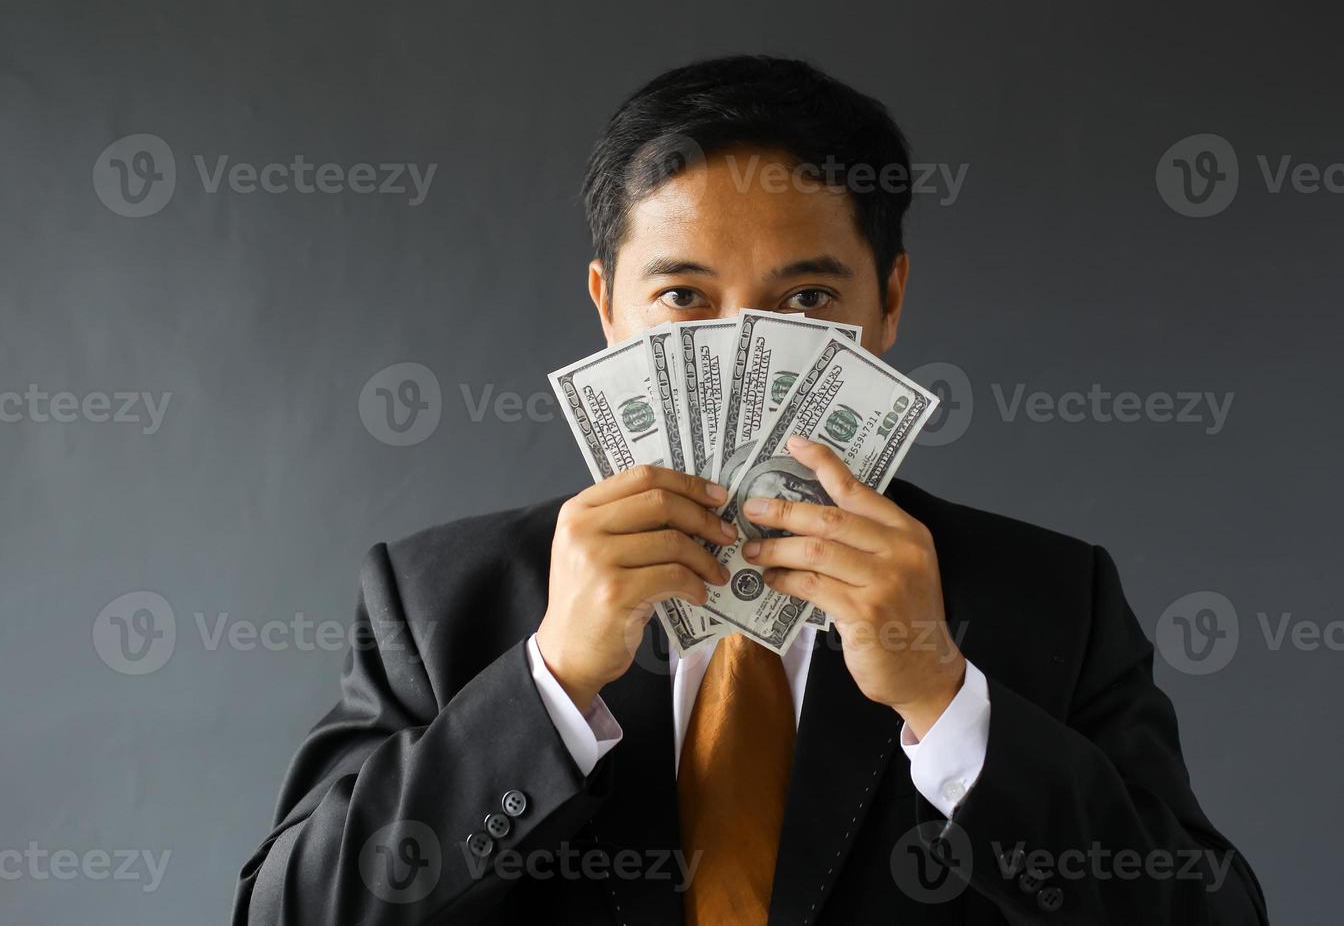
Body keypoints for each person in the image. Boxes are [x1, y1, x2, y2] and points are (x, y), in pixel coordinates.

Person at [233, 54, 1270, 925]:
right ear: (607, 306)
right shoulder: (437, 600)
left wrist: (945, 699)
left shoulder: (1052, 602)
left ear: (890, 299)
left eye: (808, 297)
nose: (745, 352)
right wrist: (547, 683)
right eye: (685, 296)